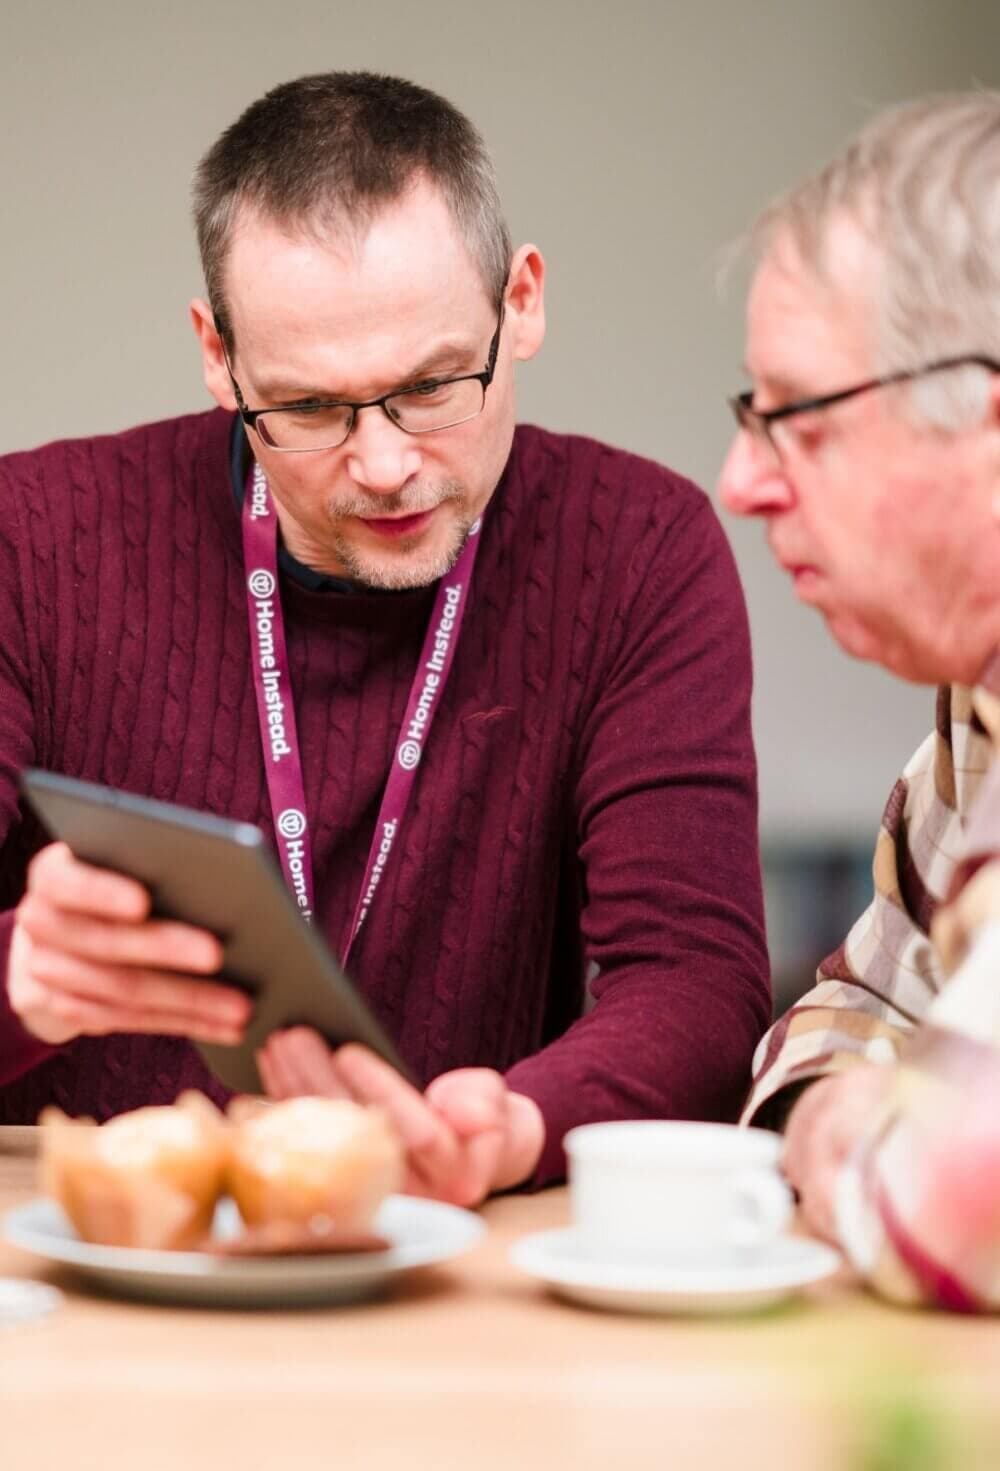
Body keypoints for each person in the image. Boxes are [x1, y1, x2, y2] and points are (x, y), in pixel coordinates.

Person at [0, 71, 769, 1205]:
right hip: (95, 1252)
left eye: (431, 386)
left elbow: (697, 983)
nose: (383, 464)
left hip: (458, 1258)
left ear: (524, 301)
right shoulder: (30, 535)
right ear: (218, 356)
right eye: (309, 408)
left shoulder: (638, 549)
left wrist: (517, 1123)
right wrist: (22, 976)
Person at [719, 91, 1000, 1306]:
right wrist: (856, 1104)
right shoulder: (972, 721)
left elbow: (941, 1212)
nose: (739, 481)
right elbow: (841, 1006)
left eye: (797, 418)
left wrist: (865, 1139)